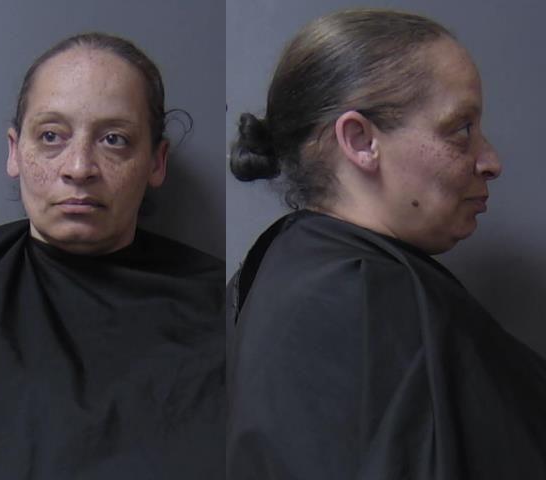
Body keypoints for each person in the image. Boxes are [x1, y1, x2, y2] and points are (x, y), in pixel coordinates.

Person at [227, 9, 546, 479]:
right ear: (360, 141)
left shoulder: (289, 266)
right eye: (461, 129)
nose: (490, 161)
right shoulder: (362, 297)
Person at [0, 33, 224, 479]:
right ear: (15, 151)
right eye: (51, 136)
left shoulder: (231, 313)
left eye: (113, 139)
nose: (78, 168)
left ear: (157, 161)